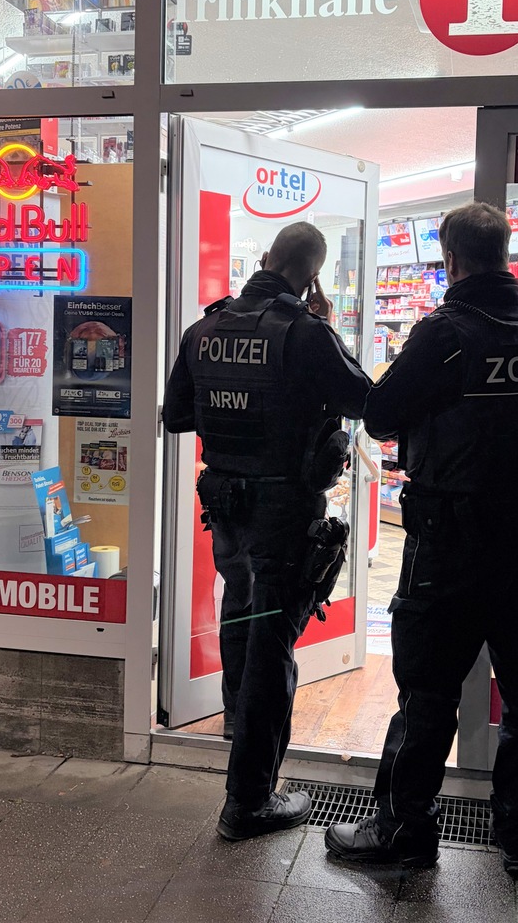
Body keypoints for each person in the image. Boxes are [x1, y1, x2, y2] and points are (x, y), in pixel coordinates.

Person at [325, 203, 518, 877]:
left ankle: (405, 828)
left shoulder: (445, 332)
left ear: (451, 260)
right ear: (505, 253)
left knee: (428, 694)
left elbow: (379, 414)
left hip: (449, 546)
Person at [163, 222, 370, 842]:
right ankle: (249, 800)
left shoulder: (204, 329)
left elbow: (177, 416)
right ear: (312, 276)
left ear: (266, 258)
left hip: (227, 504)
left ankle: (238, 729)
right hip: (285, 511)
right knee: (272, 645)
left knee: (241, 614)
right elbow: (367, 402)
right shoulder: (306, 334)